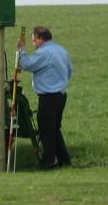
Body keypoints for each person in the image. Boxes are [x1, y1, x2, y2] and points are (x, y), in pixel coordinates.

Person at [17, 26, 73, 170]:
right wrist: (60, 83)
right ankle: (64, 161)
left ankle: (48, 163)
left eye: (34, 41)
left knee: (46, 131)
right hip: (61, 95)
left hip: (48, 97)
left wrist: (22, 50)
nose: (34, 44)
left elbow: (26, 65)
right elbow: (70, 71)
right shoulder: (62, 51)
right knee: (55, 130)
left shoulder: (43, 53)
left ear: (40, 39)